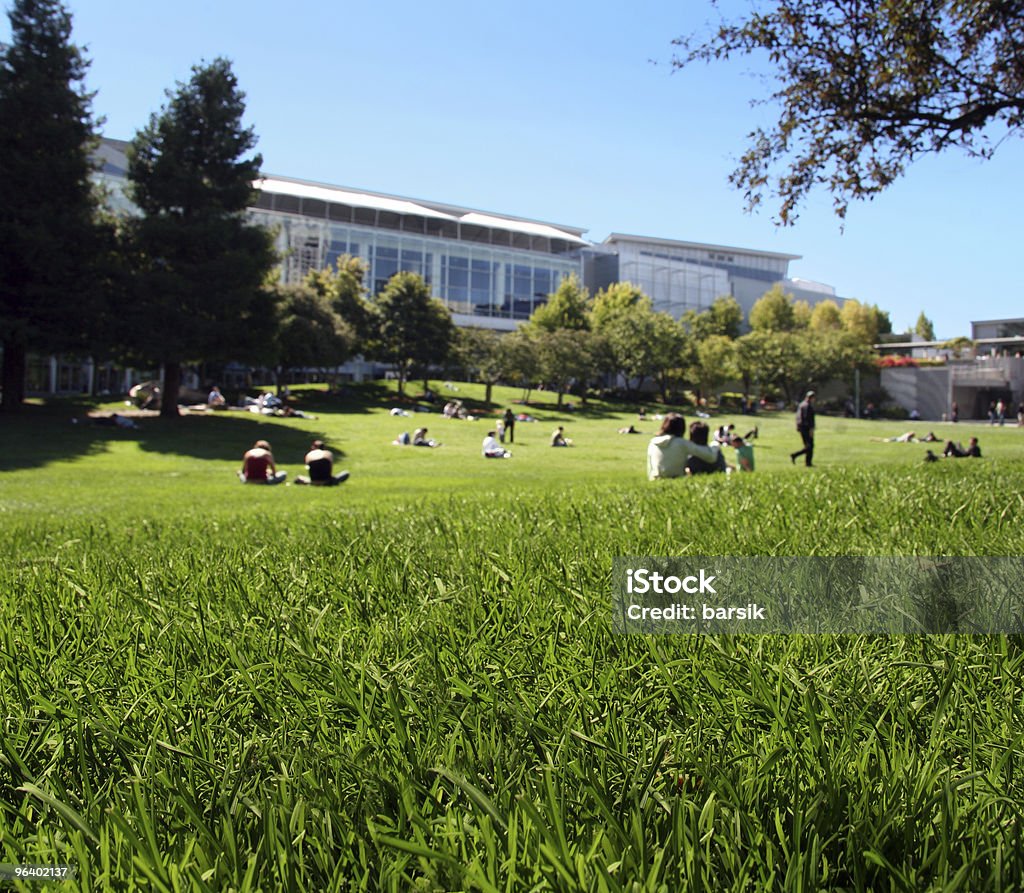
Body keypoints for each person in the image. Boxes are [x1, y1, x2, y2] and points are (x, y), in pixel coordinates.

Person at [647, 413, 722, 481]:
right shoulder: (681, 443)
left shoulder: (653, 442)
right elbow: (711, 457)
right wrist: (715, 445)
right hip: (675, 480)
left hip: (654, 480)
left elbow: (650, 468)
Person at [791, 390, 816, 467]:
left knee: (808, 446)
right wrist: (811, 429)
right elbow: (807, 419)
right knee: (809, 446)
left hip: (802, 428)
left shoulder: (802, 405)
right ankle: (795, 455)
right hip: (806, 428)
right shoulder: (807, 406)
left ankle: (808, 462)